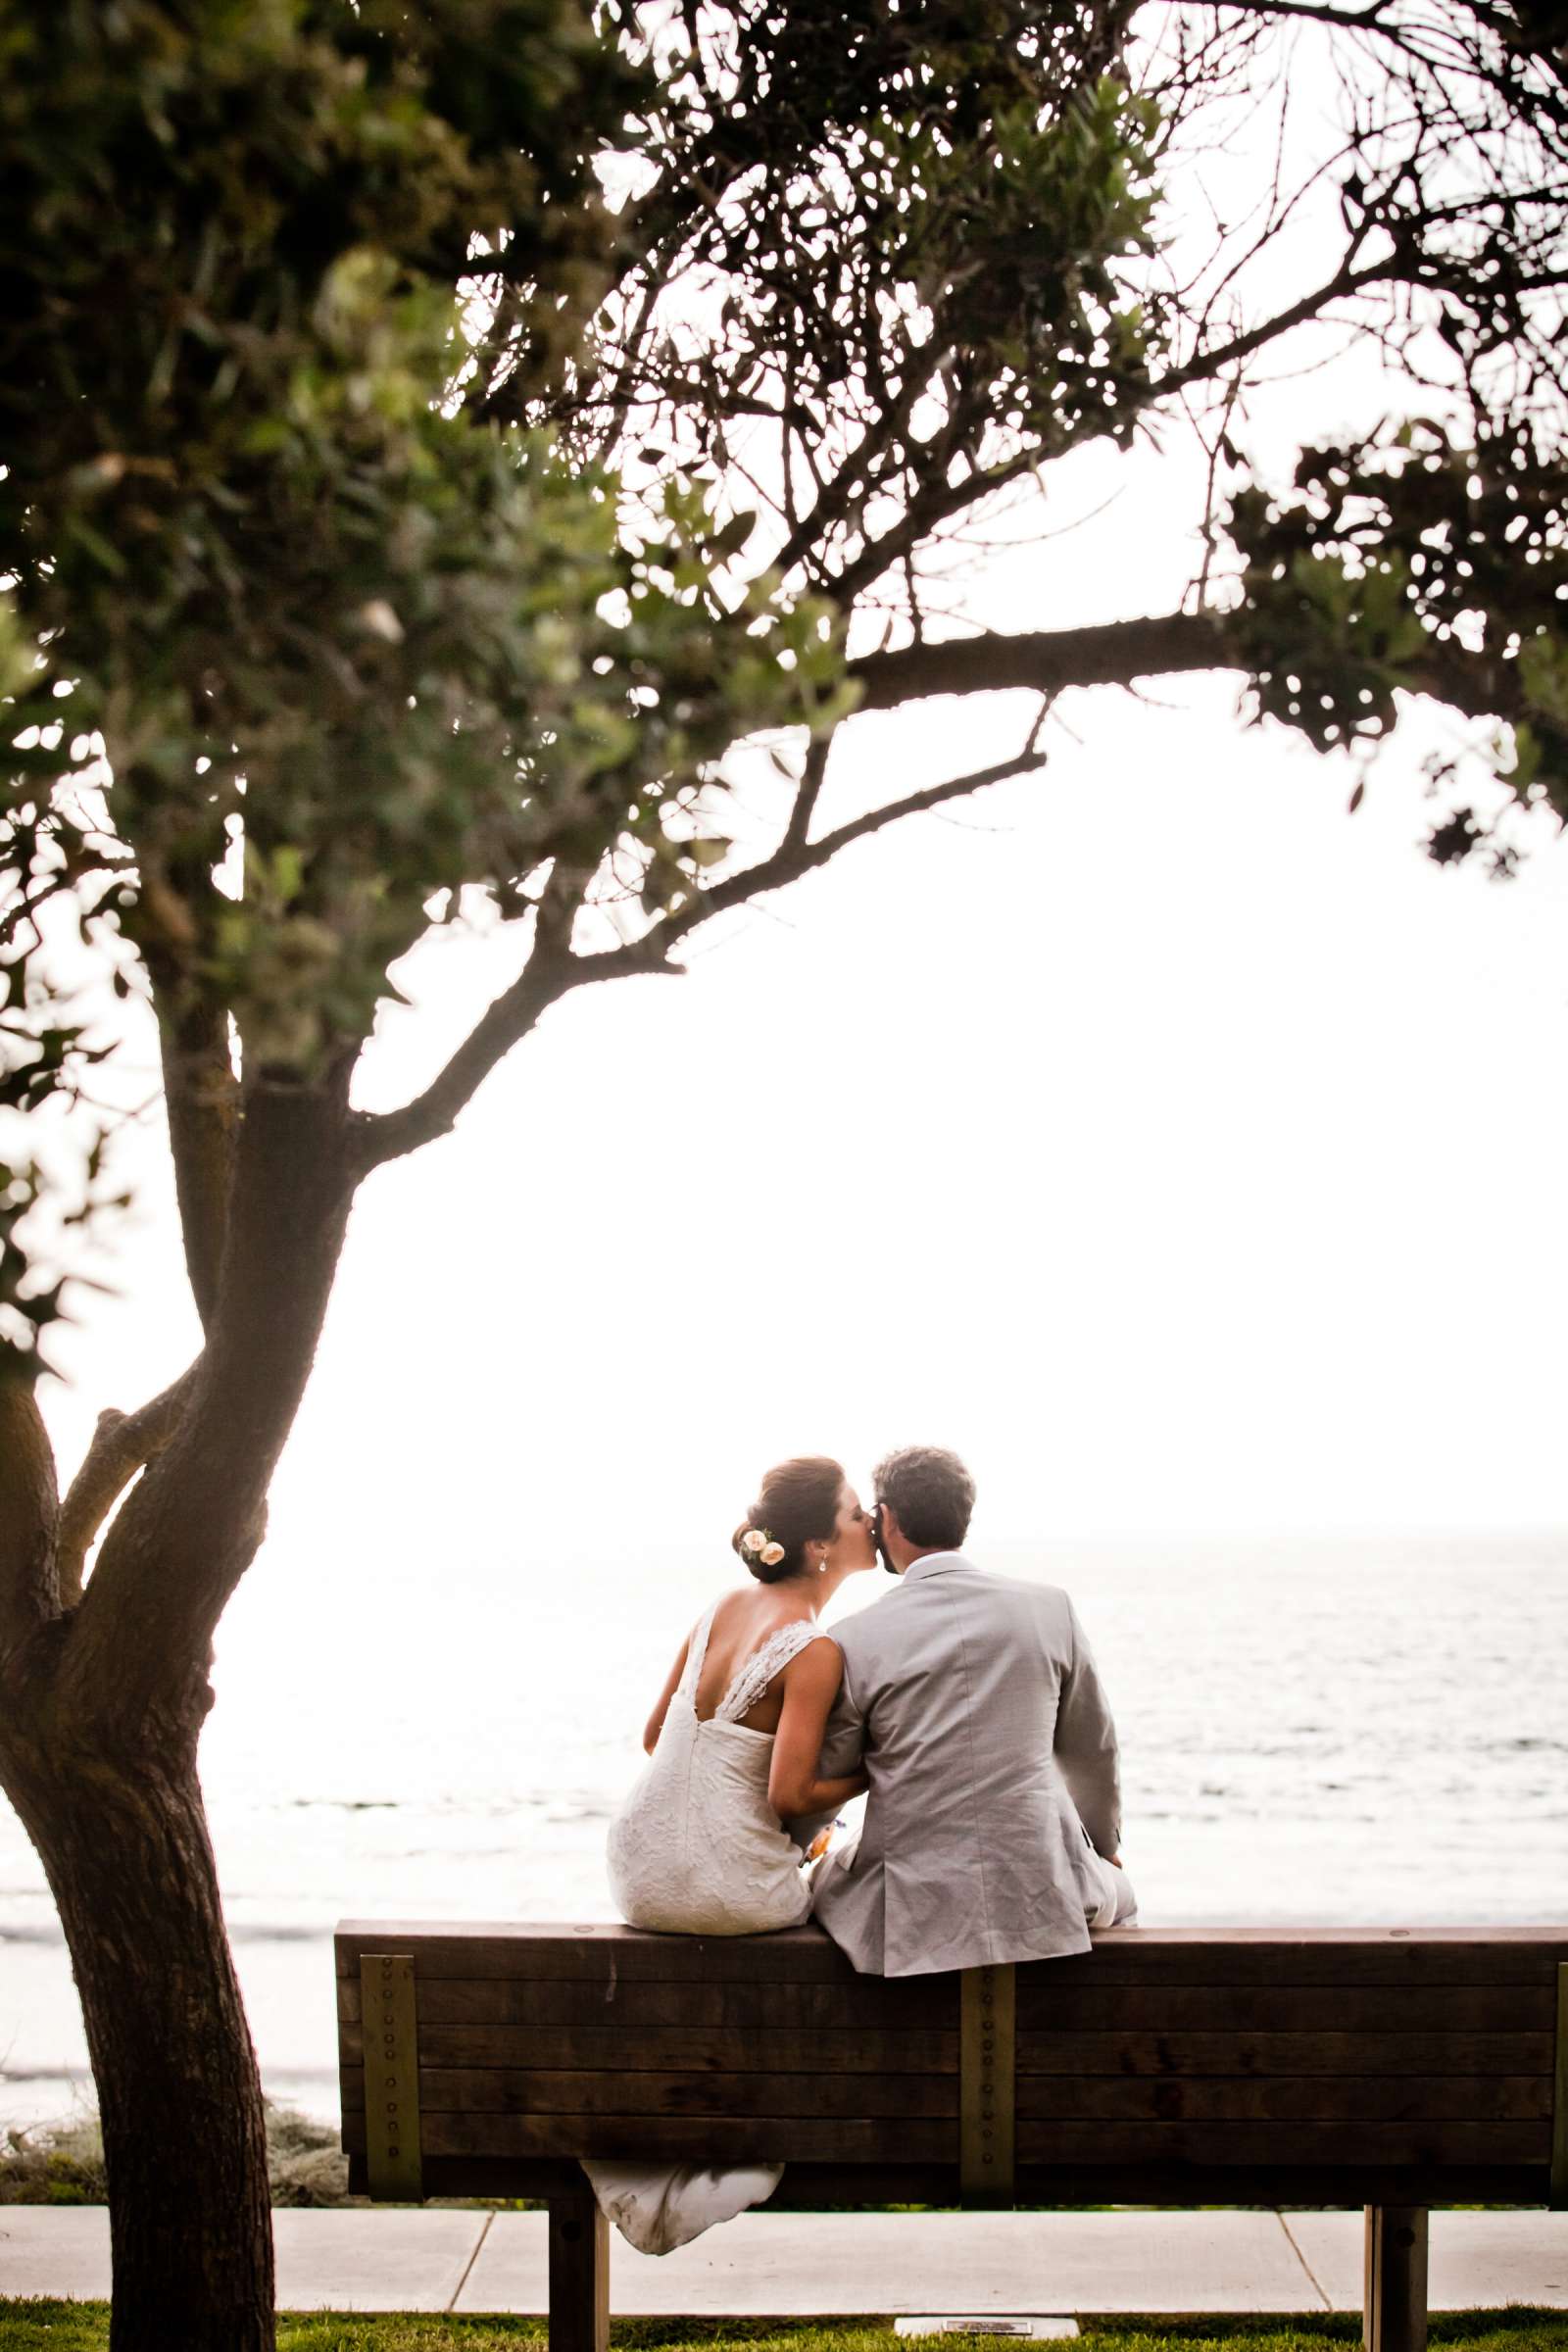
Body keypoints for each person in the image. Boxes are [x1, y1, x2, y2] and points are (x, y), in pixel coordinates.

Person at [587, 1454, 880, 2252]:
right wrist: (873, 1770)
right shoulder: (814, 1650)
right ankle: (759, 2132)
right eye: (857, 1514)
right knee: (851, 1890)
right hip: (727, 1893)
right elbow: (789, 1797)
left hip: (636, 1873)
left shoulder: (720, 1607)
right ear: (820, 1546)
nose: (870, 1522)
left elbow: (655, 1738)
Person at [808, 1444, 1136, 1975]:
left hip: (911, 1908)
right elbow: (1093, 1752)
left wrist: (795, 1851)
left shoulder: (853, 1638)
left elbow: (829, 1773)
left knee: (825, 1882)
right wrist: (1101, 1844)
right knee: (1121, 1896)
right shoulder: (1050, 1609)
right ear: (964, 1516)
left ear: (886, 1518)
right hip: (1044, 1889)